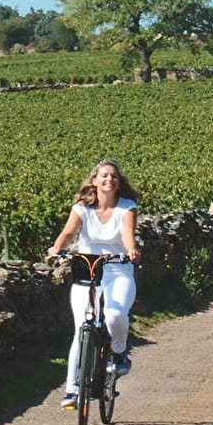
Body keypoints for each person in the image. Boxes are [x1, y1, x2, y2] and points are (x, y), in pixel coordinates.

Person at [47, 159, 142, 409]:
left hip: (118, 269)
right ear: (94, 181)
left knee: (114, 314)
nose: (109, 179)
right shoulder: (82, 208)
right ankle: (72, 389)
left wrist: (131, 250)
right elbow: (69, 233)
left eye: (113, 176)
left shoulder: (127, 207)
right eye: (104, 176)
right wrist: (58, 247)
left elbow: (127, 235)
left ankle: (120, 353)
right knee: (82, 330)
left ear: (119, 183)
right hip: (86, 269)